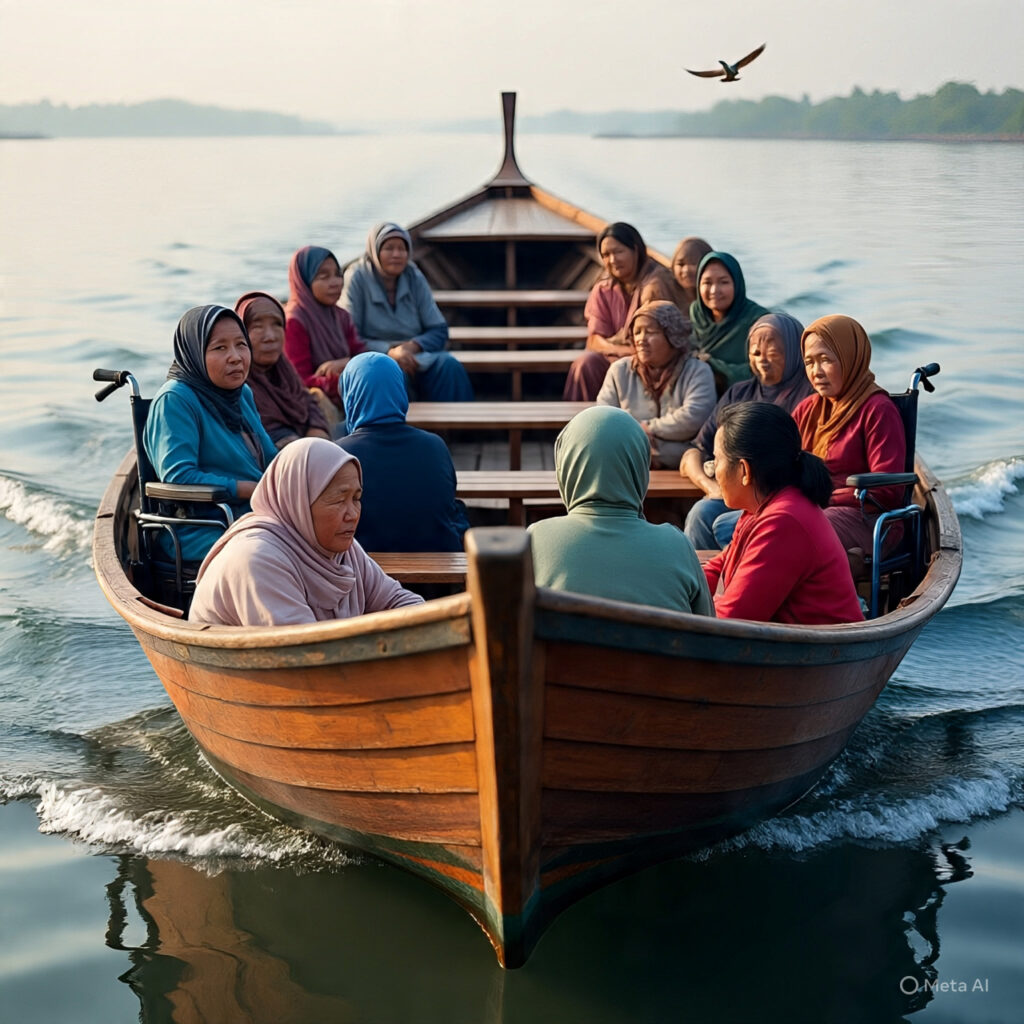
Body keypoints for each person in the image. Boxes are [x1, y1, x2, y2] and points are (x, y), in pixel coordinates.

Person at [189, 438, 424, 626]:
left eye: (356, 498)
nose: (352, 513)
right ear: (298, 502)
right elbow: (303, 650)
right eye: (339, 500)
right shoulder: (258, 559)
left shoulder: (342, 550)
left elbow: (398, 599)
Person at [528, 406, 714, 615]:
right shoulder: (677, 547)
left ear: (565, 467)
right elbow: (707, 630)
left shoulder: (534, 540)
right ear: (641, 467)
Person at [702, 403, 863, 624]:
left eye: (716, 460)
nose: (713, 470)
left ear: (744, 471)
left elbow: (733, 620)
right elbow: (719, 569)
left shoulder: (784, 521)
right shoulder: (760, 509)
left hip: (819, 654)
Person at [143, 304, 277, 565]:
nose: (236, 357)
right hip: (202, 525)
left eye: (241, 344)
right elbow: (179, 477)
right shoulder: (175, 400)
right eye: (220, 348)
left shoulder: (241, 393)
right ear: (194, 351)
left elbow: (270, 457)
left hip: (254, 512)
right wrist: (249, 489)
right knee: (285, 546)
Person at [682, 312, 813, 549]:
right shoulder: (738, 394)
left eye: (773, 353)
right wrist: (711, 487)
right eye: (755, 353)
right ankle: (700, 583)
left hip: (778, 500)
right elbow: (694, 451)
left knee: (727, 525)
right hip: (733, 494)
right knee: (701, 512)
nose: (762, 360)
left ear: (795, 353)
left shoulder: (810, 397)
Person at [792, 314, 907, 556]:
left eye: (825, 360)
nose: (816, 371)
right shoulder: (807, 409)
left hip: (868, 517)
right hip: (811, 509)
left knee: (798, 528)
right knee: (728, 524)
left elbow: (890, 490)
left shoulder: (877, 409)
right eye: (809, 362)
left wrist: (824, 498)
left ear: (850, 357)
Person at [337, 352, 468, 552]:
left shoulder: (339, 454)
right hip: (437, 554)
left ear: (350, 393)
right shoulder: (435, 446)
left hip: (365, 569)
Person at [340, 222, 473, 401]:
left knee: (449, 365)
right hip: (376, 356)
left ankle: (458, 427)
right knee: (390, 373)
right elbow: (350, 336)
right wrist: (390, 351)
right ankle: (399, 428)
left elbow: (439, 330)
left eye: (401, 249)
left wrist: (412, 347)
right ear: (375, 250)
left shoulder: (413, 275)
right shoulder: (357, 277)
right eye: (389, 248)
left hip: (417, 354)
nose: (396, 255)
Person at [563, 222, 684, 402]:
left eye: (619, 252)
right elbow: (595, 339)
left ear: (635, 250)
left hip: (649, 361)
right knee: (585, 364)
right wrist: (621, 351)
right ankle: (580, 425)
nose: (612, 260)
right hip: (618, 356)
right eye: (606, 255)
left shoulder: (656, 284)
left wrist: (634, 354)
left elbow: (663, 341)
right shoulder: (603, 290)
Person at [595, 300, 716, 470]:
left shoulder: (698, 371)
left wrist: (647, 428)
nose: (641, 340)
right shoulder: (619, 370)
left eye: (650, 332)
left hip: (680, 456)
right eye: (637, 332)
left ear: (672, 336)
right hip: (628, 451)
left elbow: (693, 417)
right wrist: (637, 436)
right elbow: (604, 416)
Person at [235, 291, 331, 449]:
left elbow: (307, 399)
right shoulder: (236, 381)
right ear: (240, 335)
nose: (270, 336)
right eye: (257, 326)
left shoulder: (284, 370)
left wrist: (317, 429)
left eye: (277, 324)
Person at [283, 245, 366, 413]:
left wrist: (345, 363)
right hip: (317, 406)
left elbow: (361, 354)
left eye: (337, 274)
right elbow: (300, 380)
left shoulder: (341, 315)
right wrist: (343, 380)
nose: (335, 283)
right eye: (323, 276)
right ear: (304, 281)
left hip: (348, 395)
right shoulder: (294, 322)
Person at [689, 251, 770, 394]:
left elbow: (763, 370)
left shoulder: (758, 321)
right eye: (707, 283)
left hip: (744, 397)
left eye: (724, 282)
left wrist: (713, 365)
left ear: (737, 284)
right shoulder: (697, 313)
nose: (714, 290)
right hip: (700, 391)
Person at [671, 236, 713, 307]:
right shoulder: (665, 293)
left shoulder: (716, 297)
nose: (686, 270)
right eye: (681, 264)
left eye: (693, 263)